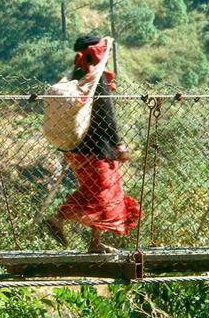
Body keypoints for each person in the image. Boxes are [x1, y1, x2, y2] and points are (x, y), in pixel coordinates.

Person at [44, 35, 140, 254]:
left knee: (94, 192)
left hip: (75, 148)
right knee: (104, 193)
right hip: (97, 150)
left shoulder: (77, 76)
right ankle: (59, 218)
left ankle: (92, 241)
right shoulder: (97, 80)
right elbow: (106, 114)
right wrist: (118, 144)